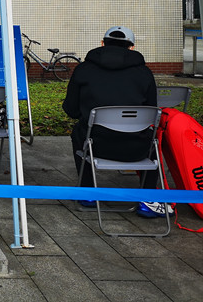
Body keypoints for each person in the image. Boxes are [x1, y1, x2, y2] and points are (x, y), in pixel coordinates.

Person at [63, 26, 167, 218]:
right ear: (132, 47)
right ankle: (148, 200)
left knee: (79, 132)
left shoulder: (83, 69)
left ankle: (88, 193)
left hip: (96, 146)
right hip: (137, 148)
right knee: (152, 140)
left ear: (103, 44)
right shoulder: (144, 73)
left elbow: (71, 110)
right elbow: (152, 110)